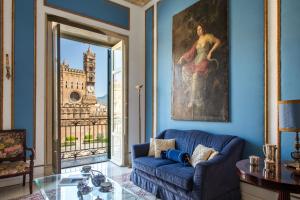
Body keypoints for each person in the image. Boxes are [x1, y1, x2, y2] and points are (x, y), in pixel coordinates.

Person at [177, 24, 220, 109]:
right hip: (196, 61)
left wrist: (210, 52)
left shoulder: (207, 37)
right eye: (197, 30)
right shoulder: (196, 42)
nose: (199, 31)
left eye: (200, 29)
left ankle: (192, 100)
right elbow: (190, 53)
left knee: (195, 75)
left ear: (203, 29)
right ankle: (190, 88)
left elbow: (218, 41)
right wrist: (182, 57)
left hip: (204, 60)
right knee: (184, 69)